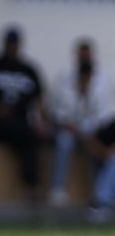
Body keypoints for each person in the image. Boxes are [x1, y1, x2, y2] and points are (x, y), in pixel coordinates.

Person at [0, 27, 50, 201]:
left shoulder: (28, 69)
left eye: (15, 44)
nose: (12, 47)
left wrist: (43, 122)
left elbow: (39, 99)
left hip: (18, 122)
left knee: (31, 138)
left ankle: (31, 188)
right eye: (9, 43)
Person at [47, 39, 112, 206]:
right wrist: (79, 132)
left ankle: (97, 194)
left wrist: (90, 136)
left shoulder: (102, 80)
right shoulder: (65, 80)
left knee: (98, 152)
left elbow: (102, 117)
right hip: (69, 129)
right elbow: (59, 116)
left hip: (91, 130)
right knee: (63, 143)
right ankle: (57, 189)